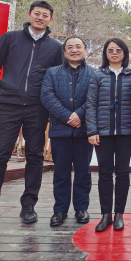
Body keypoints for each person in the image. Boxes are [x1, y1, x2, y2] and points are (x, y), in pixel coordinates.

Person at [0, 1, 63, 229]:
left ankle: (28, 206)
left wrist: (49, 104)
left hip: (37, 108)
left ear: (51, 19)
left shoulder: (55, 47)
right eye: (37, 13)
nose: (40, 17)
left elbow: (58, 78)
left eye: (45, 15)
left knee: (34, 156)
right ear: (29, 14)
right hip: (9, 105)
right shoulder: (10, 38)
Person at [40, 37, 94, 227]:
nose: (74, 50)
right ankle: (60, 210)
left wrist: (79, 114)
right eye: (69, 47)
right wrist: (67, 116)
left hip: (84, 130)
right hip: (60, 130)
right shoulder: (52, 73)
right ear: (64, 52)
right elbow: (47, 96)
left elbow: (95, 98)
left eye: (78, 46)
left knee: (83, 172)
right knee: (61, 172)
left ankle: (81, 209)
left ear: (85, 50)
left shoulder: (94, 74)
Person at [86, 38, 131, 232]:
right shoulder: (98, 75)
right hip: (103, 132)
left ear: (124, 53)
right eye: (110, 50)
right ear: (105, 53)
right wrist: (92, 130)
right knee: (105, 173)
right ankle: (106, 214)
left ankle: (119, 214)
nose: (114, 53)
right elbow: (91, 104)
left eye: (118, 50)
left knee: (123, 172)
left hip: (126, 131)